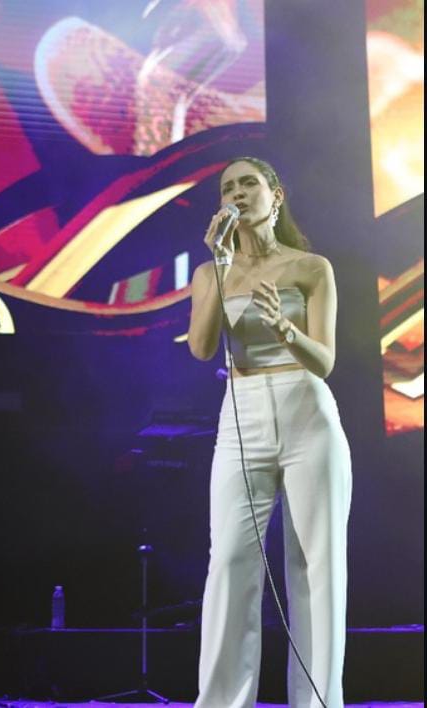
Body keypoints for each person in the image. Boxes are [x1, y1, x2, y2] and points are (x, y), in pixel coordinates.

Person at [187, 156, 352, 707]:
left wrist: (286, 329)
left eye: (248, 183)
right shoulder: (209, 271)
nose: (237, 193)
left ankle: (318, 702)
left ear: (275, 195)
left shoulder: (311, 267)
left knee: (316, 565)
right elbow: (201, 348)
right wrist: (219, 262)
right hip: (243, 411)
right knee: (230, 562)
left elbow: (325, 361)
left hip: (307, 409)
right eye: (227, 187)